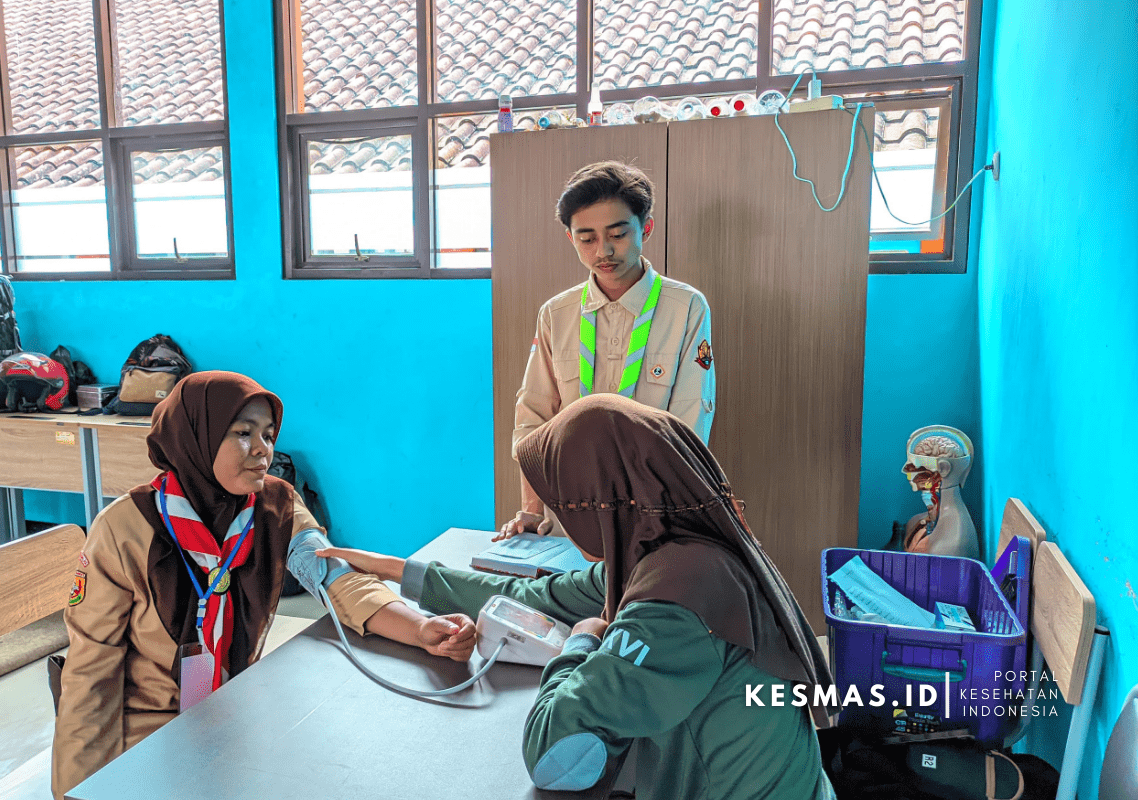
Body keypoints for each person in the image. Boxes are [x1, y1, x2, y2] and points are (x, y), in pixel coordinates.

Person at [319, 395, 835, 800]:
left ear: (600, 497)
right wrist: (399, 571)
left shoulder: (678, 599)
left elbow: (554, 753)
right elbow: (535, 595)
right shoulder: (674, 549)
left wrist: (580, 646)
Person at [52, 372, 477, 799]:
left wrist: (420, 628)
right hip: (149, 734)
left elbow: (338, 579)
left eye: (269, 434)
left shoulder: (277, 506)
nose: (263, 450)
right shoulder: (125, 529)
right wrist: (77, 792)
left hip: (233, 714)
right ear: (197, 437)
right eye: (242, 433)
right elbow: (91, 678)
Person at [502, 160, 715, 539]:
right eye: (587, 238)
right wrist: (532, 512)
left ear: (645, 228)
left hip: (657, 513)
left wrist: (665, 521)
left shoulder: (686, 308)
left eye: (618, 234)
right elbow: (533, 418)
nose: (604, 251)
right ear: (572, 238)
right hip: (571, 513)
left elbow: (689, 423)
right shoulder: (557, 313)